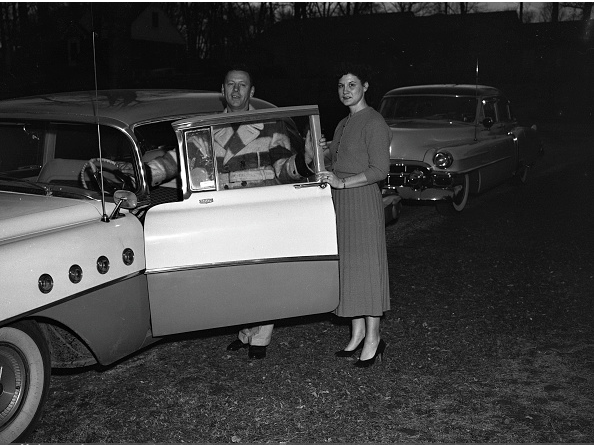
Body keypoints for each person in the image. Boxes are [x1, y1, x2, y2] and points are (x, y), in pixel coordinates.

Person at [127, 68, 314, 359]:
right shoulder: (207, 127)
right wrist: (142, 174)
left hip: (259, 210)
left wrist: (304, 161)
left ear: (252, 92)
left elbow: (282, 169)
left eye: (242, 85)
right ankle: (245, 332)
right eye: (231, 85)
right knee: (234, 276)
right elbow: (177, 159)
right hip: (223, 212)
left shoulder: (271, 125)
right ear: (222, 90)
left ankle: (260, 338)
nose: (236, 90)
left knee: (261, 274)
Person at [318, 65, 391, 368]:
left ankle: (374, 338)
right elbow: (336, 163)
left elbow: (379, 170)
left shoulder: (373, 121)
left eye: (352, 85)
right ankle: (358, 332)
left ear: (365, 86)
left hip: (361, 200)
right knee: (351, 268)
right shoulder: (342, 123)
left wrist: (343, 183)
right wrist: (320, 153)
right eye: (340, 85)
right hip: (342, 203)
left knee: (368, 268)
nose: (345, 91)